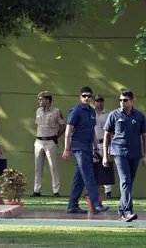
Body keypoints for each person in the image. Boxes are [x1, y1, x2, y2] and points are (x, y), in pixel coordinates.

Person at [103, 90, 146, 222]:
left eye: (125, 100)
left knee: (129, 183)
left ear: (131, 101)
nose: (122, 103)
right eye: (121, 100)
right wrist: (105, 156)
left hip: (135, 153)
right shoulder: (114, 115)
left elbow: (145, 135)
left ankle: (121, 211)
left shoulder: (139, 115)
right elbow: (107, 135)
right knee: (125, 181)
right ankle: (128, 211)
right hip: (119, 152)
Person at [63, 86, 109, 214]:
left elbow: (92, 131)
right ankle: (96, 204)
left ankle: (72, 205)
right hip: (78, 146)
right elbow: (68, 132)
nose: (87, 98)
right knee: (88, 175)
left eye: (89, 96)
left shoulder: (91, 111)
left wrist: (95, 148)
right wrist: (67, 149)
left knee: (80, 177)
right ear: (80, 97)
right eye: (84, 96)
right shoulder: (76, 111)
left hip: (88, 147)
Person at [33, 91, 64, 197]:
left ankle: (56, 191)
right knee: (38, 167)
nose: (39, 101)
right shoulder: (38, 110)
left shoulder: (56, 111)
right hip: (38, 141)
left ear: (48, 100)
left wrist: (56, 137)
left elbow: (62, 126)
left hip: (51, 141)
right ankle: (37, 190)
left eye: (41, 99)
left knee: (53, 167)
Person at [94, 94, 113, 198]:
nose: (99, 102)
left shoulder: (108, 114)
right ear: (94, 102)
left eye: (101, 100)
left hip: (104, 142)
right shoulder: (90, 113)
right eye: (97, 100)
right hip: (92, 143)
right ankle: (93, 190)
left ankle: (108, 191)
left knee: (105, 166)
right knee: (92, 167)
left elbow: (112, 131)